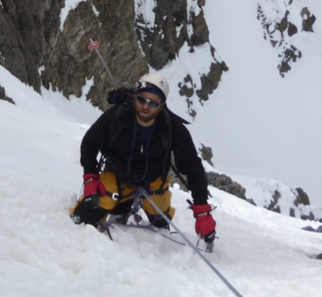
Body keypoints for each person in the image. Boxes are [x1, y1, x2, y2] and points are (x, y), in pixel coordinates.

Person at [70, 71, 216, 243]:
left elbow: (192, 167)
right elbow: (89, 143)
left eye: (153, 103)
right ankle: (122, 207)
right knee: (84, 217)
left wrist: (202, 210)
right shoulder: (117, 116)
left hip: (153, 181)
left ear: (162, 104)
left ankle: (137, 208)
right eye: (141, 100)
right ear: (134, 98)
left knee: (160, 221)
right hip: (116, 175)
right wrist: (90, 178)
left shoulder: (173, 128)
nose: (146, 106)